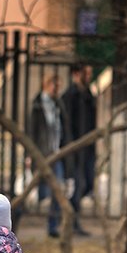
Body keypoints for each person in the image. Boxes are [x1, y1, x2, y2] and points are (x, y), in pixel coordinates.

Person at [29, 74, 70, 238]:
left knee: (58, 190)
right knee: (33, 191)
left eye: (58, 86)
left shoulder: (58, 104)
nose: (57, 89)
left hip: (56, 153)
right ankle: (15, 219)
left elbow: (62, 129)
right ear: (46, 85)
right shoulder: (38, 105)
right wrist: (30, 156)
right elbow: (32, 132)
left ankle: (53, 226)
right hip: (41, 155)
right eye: (55, 86)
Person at [61, 64, 97, 236]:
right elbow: (67, 126)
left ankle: (72, 219)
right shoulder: (69, 96)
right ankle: (72, 223)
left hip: (88, 149)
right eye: (86, 73)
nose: (89, 76)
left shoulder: (88, 94)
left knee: (88, 185)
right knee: (76, 186)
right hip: (74, 150)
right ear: (76, 74)